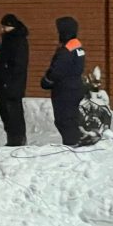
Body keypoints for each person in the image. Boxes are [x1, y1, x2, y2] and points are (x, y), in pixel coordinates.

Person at [41, 16, 85, 146]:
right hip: (75, 86)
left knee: (64, 120)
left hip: (64, 89)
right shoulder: (77, 46)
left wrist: (47, 80)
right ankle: (76, 142)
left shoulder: (66, 50)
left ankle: (72, 145)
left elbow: (57, 70)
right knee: (71, 118)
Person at [0, 14, 30, 147]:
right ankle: (13, 137)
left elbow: (17, 64)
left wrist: (7, 78)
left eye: (5, 27)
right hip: (8, 82)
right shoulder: (10, 39)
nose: (2, 29)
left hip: (12, 83)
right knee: (5, 110)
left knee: (12, 111)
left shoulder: (16, 40)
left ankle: (16, 139)